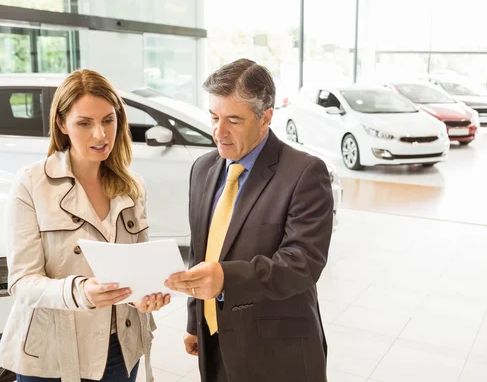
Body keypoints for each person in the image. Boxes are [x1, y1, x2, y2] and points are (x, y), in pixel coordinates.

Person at [164, 58, 334, 382]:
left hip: (277, 353)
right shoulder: (202, 169)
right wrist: (195, 321)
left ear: (265, 117)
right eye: (214, 116)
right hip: (215, 343)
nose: (218, 131)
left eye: (233, 120)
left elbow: (303, 264)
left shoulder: (304, 173)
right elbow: (201, 253)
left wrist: (226, 278)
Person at [0, 69, 170, 382]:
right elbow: (22, 283)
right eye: (84, 123)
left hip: (120, 349)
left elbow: (141, 269)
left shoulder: (132, 187)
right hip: (52, 354)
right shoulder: (32, 184)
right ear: (62, 124)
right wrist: (81, 291)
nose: (100, 135)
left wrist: (147, 294)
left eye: (108, 120)